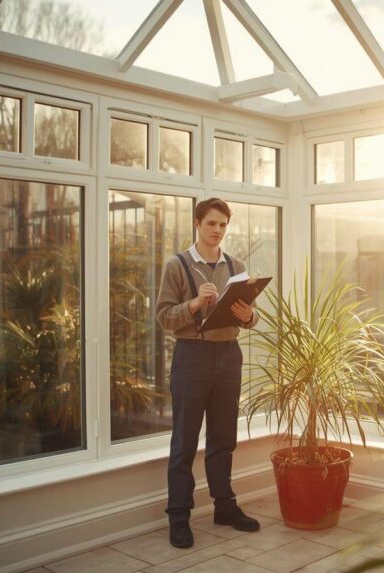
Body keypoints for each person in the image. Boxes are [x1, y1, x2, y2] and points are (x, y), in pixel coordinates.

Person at [156, 198, 260, 549]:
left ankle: (224, 508)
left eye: (223, 225)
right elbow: (165, 317)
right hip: (192, 357)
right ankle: (179, 517)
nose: (218, 231)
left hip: (229, 354)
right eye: (212, 223)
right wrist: (197, 304)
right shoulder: (178, 265)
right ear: (197, 224)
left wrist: (248, 317)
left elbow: (251, 318)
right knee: (184, 440)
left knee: (223, 437)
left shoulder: (237, 266)